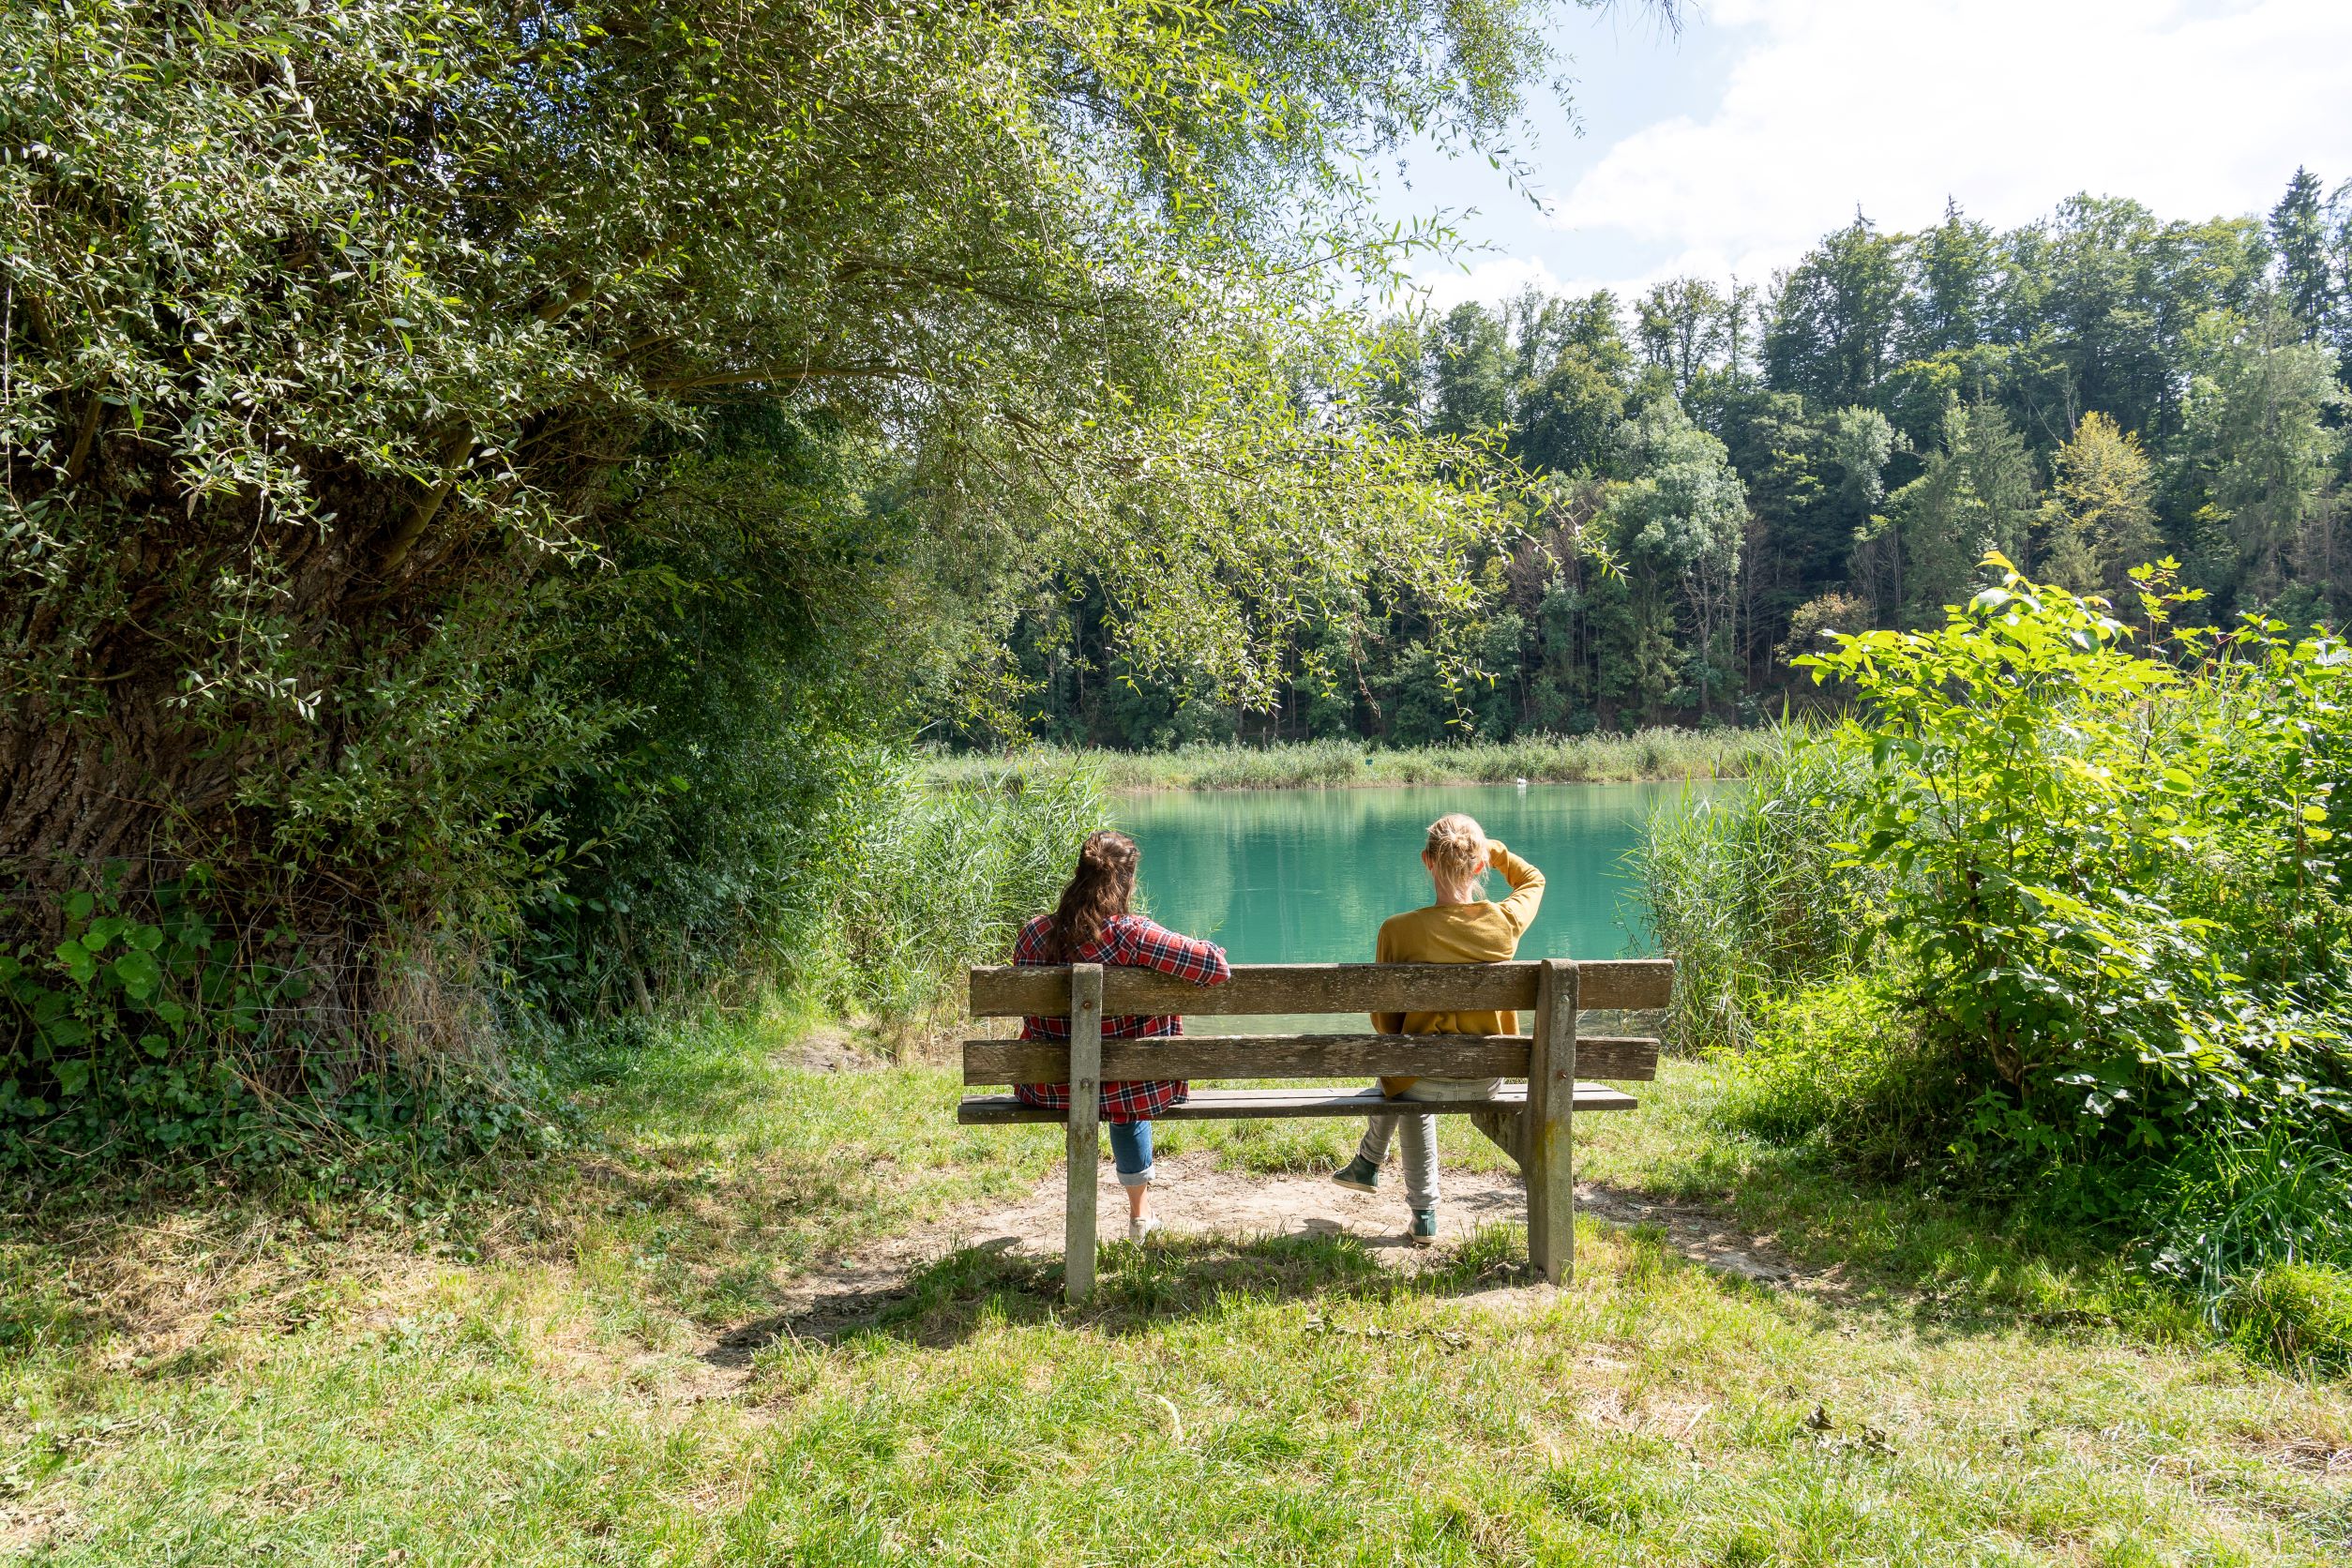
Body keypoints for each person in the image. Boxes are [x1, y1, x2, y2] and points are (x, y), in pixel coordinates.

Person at [1331, 812, 1545, 1246]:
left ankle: (1421, 1211)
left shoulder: (1397, 931)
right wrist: (1497, 850)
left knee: (1407, 1067)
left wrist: (1406, 1043)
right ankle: (1370, 1167)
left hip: (1419, 1079)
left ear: (1426, 861)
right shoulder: (1503, 925)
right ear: (1480, 865)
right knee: (1410, 1065)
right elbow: (1534, 880)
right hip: (1489, 1078)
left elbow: (1382, 1018)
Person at [1014, 829, 1230, 1244]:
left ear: (1078, 875)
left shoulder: (1034, 933)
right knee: (1127, 1081)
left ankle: (1107, 1217)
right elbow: (1215, 969)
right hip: (1129, 1088)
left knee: (1109, 1075)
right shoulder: (1131, 934)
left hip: (1048, 1085)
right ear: (1128, 881)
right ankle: (1139, 1216)